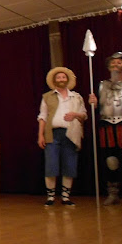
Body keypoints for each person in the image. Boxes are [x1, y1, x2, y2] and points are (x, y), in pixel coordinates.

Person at [88, 52, 122, 207]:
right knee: (111, 161)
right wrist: (94, 103)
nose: (115, 64)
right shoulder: (102, 84)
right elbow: (100, 107)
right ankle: (113, 193)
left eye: (119, 62)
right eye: (113, 62)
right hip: (107, 125)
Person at [37, 67, 87, 206]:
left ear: (67, 79)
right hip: (52, 134)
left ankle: (65, 197)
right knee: (51, 165)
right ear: (54, 80)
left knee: (69, 164)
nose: (61, 79)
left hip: (71, 134)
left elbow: (84, 115)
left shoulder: (76, 97)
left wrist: (75, 115)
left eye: (63, 77)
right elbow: (42, 116)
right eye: (58, 77)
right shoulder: (47, 97)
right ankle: (51, 197)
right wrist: (40, 135)